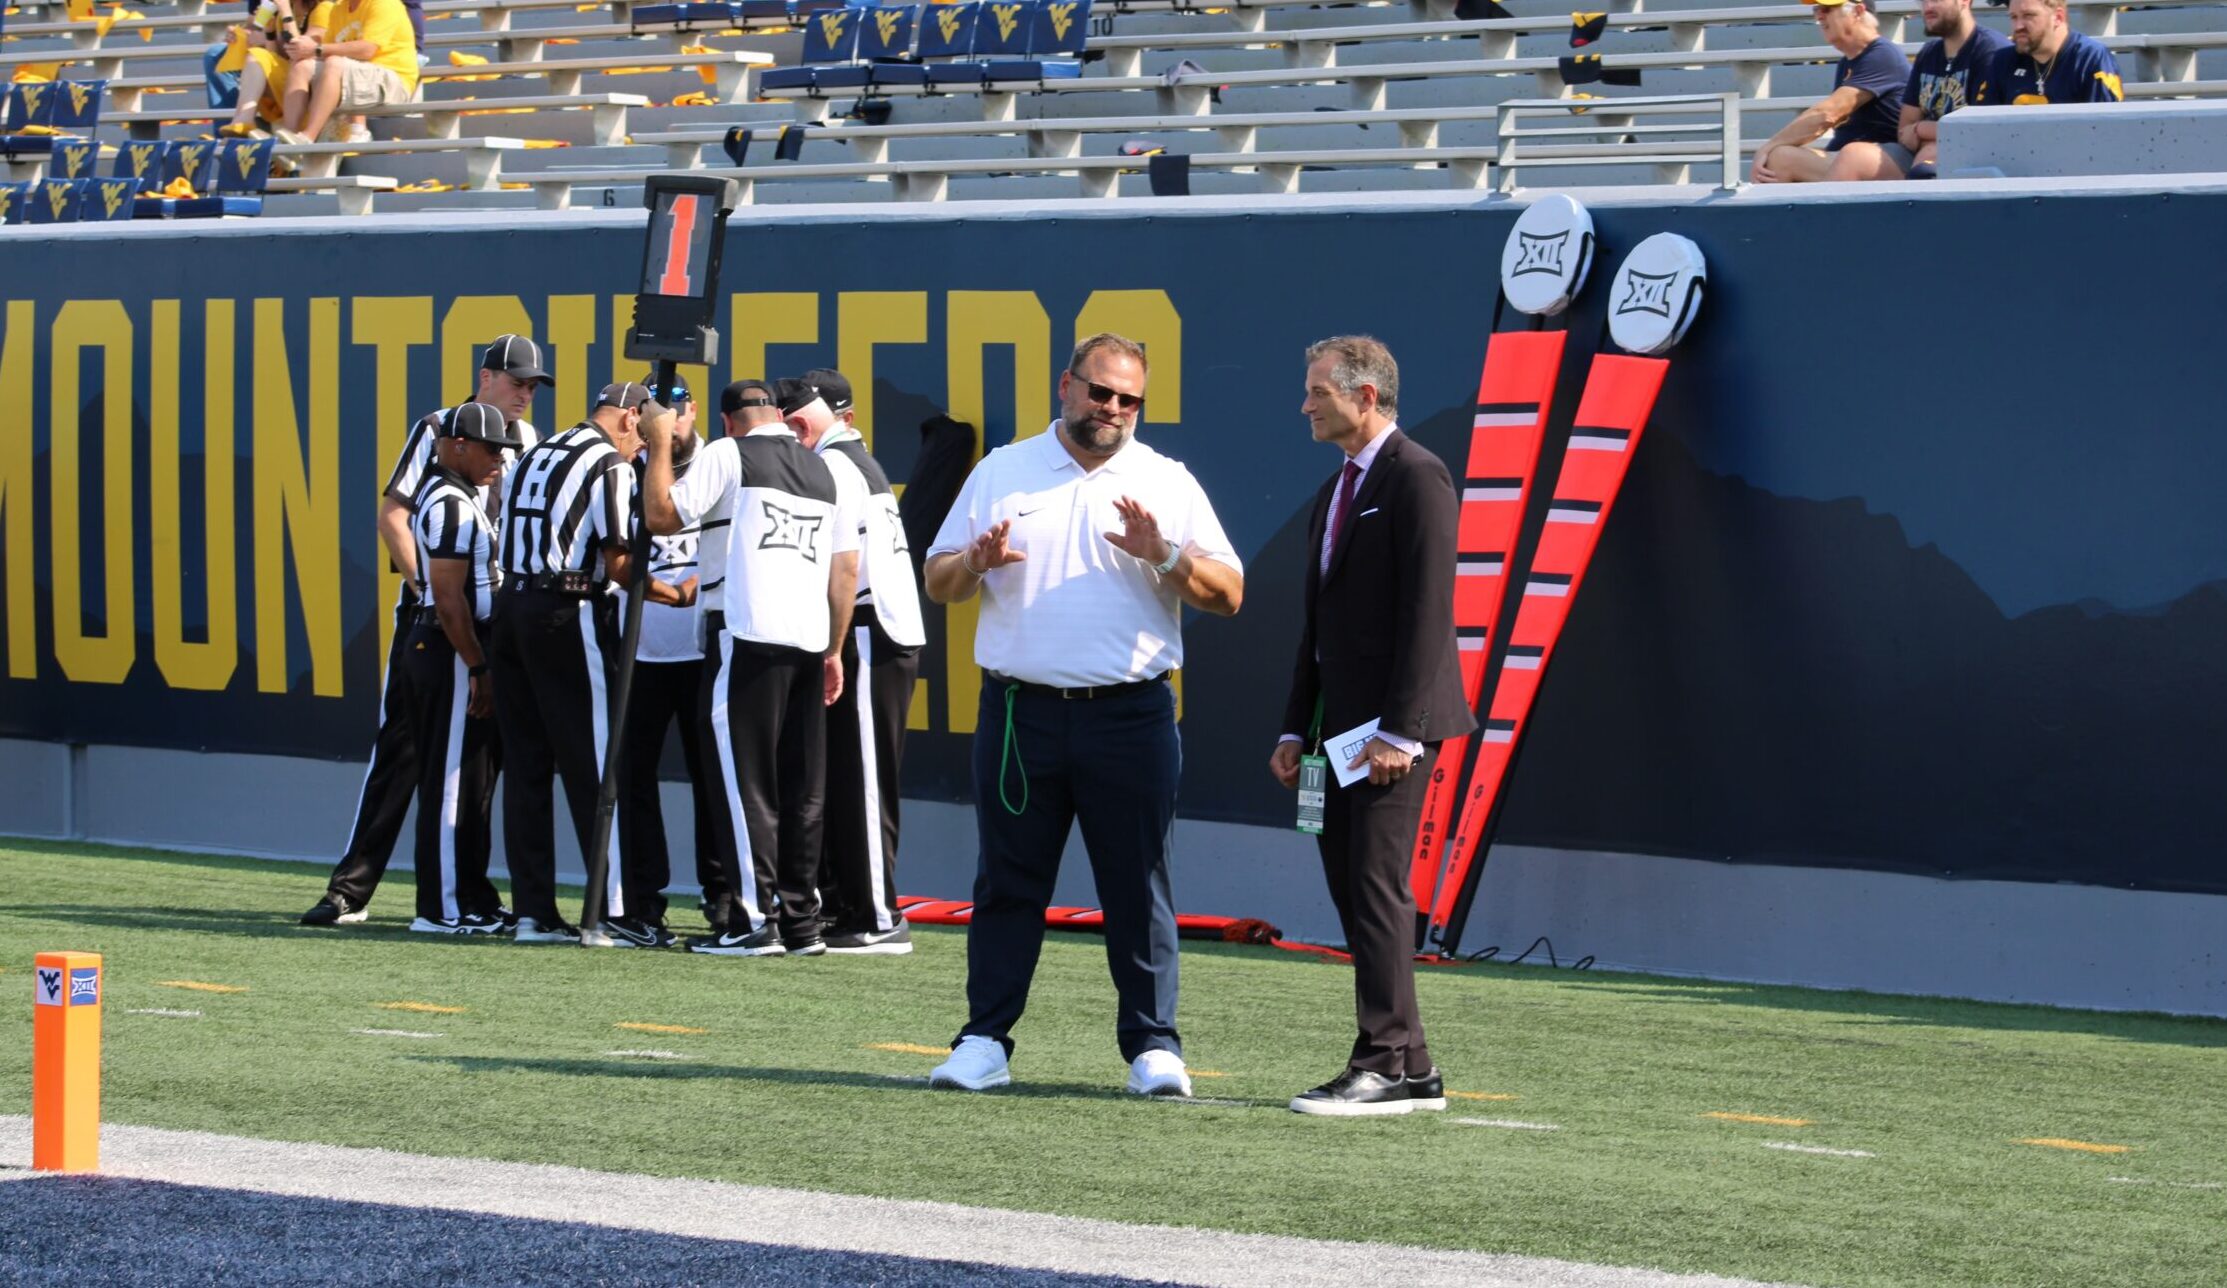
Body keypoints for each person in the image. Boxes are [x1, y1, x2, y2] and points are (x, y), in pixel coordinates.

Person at [920, 333, 1244, 1097]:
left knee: (1138, 883)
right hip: (1018, 713)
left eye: (1129, 399)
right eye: (1100, 392)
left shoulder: (1165, 480)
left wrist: (1162, 554)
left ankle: (1153, 1046)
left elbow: (1228, 594)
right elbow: (939, 583)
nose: (1113, 410)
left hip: (1130, 713)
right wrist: (974, 563)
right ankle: (983, 1040)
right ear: (1066, 386)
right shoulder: (1002, 470)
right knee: (1006, 882)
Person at [1269, 337, 1470, 1117]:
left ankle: (1380, 1062)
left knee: (1375, 887)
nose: (1305, 404)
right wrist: (1294, 729)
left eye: (1318, 390)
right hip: (1332, 733)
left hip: (1389, 736)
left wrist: (1403, 732)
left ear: (1365, 396)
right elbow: (1316, 627)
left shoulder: (1417, 475)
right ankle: (1412, 1064)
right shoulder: (1334, 490)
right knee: (1352, 888)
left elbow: (1428, 612)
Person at [303, 334, 548, 928]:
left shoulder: (528, 441)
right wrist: (429, 594)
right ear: (486, 376)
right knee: (403, 750)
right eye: (517, 382)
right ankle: (352, 889)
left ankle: (469, 895)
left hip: (489, 618)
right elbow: (394, 512)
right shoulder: (442, 428)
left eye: (533, 386)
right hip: (437, 616)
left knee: (477, 766)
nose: (524, 395)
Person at [640, 378, 853, 958]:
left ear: (729, 419)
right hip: (809, 638)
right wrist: (834, 648)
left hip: (744, 629)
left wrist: (659, 441)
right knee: (802, 786)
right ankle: (801, 921)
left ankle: (752, 920)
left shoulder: (727, 452)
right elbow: (845, 572)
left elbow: (661, 516)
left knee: (742, 782)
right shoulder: (824, 469)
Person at [491, 382, 678, 945]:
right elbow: (620, 564)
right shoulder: (607, 466)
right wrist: (678, 594)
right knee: (598, 762)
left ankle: (533, 912)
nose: (640, 451)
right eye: (642, 438)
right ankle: (615, 911)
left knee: (525, 765)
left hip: (511, 610)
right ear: (628, 419)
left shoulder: (537, 452)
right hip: (565, 611)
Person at [791, 368, 929, 956]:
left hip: (870, 629)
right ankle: (854, 904)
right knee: (853, 775)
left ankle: (876, 914)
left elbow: (845, 567)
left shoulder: (839, 464)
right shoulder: (850, 458)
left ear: (838, 413)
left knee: (866, 779)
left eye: (805, 408)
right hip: (870, 627)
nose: (795, 417)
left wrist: (830, 646)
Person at [403, 402, 519, 935]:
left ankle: (472, 895)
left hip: (462, 650)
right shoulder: (448, 502)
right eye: (491, 448)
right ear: (456, 446)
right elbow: (448, 599)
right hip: (448, 649)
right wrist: (477, 666)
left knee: (472, 784)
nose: (499, 459)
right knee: (449, 782)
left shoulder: (462, 496)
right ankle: (442, 908)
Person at [612, 374, 713, 949]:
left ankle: (724, 902)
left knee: (714, 780)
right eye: (654, 411)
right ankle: (643, 904)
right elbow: (614, 556)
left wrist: (703, 584)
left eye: (675, 409)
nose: (666, 422)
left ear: (692, 410)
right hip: (641, 649)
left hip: (702, 649)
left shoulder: (716, 466)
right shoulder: (624, 473)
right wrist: (667, 591)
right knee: (633, 780)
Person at [1752, 0, 1910, 183]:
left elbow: (1828, 113)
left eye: (1827, 9)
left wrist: (1768, 146)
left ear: (1858, 11)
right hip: (1855, 156)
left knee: (1782, 157)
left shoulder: (1882, 55)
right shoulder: (1849, 61)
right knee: (1780, 158)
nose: (1819, 16)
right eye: (1817, 9)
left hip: (1888, 157)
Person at [273, 0, 416, 145]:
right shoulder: (338, 9)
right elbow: (325, 51)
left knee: (335, 62)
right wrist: (303, 50)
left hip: (393, 81)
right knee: (302, 67)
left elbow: (367, 50)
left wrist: (315, 49)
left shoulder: (384, 3)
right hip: (358, 76)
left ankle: (308, 137)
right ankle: (289, 138)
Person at [1897, 0, 2009, 178]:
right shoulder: (1928, 53)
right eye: (1923, 1)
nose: (1927, 8)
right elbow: (1904, 129)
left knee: (1927, 161)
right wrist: (1929, 135)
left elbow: (1978, 131)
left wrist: (1921, 129)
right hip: (1921, 149)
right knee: (1855, 156)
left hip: (1976, 159)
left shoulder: (1990, 51)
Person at [217, 0, 333, 139]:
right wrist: (268, 33)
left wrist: (285, 11)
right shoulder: (286, 11)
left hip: (312, 84)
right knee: (253, 54)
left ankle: (244, 119)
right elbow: (276, 55)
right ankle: (242, 119)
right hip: (291, 78)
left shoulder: (323, 8)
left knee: (258, 56)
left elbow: (300, 51)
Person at [1979, 0, 2123, 105]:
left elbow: (2104, 132)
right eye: (2013, 17)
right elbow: (1984, 130)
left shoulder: (2090, 59)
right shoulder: (2002, 61)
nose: (2018, 26)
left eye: (2029, 15)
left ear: (2058, 17)